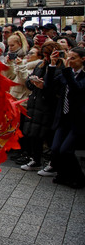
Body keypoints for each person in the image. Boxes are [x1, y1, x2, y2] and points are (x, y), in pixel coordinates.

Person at [43, 47, 85, 188]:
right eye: (68, 57)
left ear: (82, 59)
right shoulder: (67, 74)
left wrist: (67, 71)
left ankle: (79, 178)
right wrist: (53, 64)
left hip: (78, 121)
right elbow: (49, 86)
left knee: (66, 150)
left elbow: (77, 89)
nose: (69, 61)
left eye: (73, 58)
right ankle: (63, 175)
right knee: (55, 149)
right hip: (63, 118)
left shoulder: (80, 76)